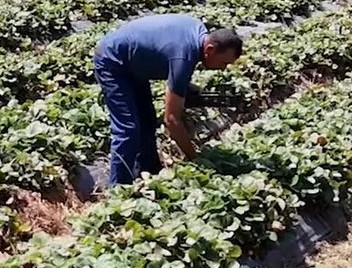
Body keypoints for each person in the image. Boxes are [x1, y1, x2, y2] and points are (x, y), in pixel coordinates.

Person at [93, 13, 243, 186]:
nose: (223, 69)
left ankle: (148, 173)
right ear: (209, 50)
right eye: (224, 62)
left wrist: (187, 92)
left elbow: (175, 70)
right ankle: (118, 190)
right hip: (113, 61)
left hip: (134, 63)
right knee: (128, 129)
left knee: (148, 122)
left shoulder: (197, 32)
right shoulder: (183, 56)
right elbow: (171, 120)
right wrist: (196, 159)